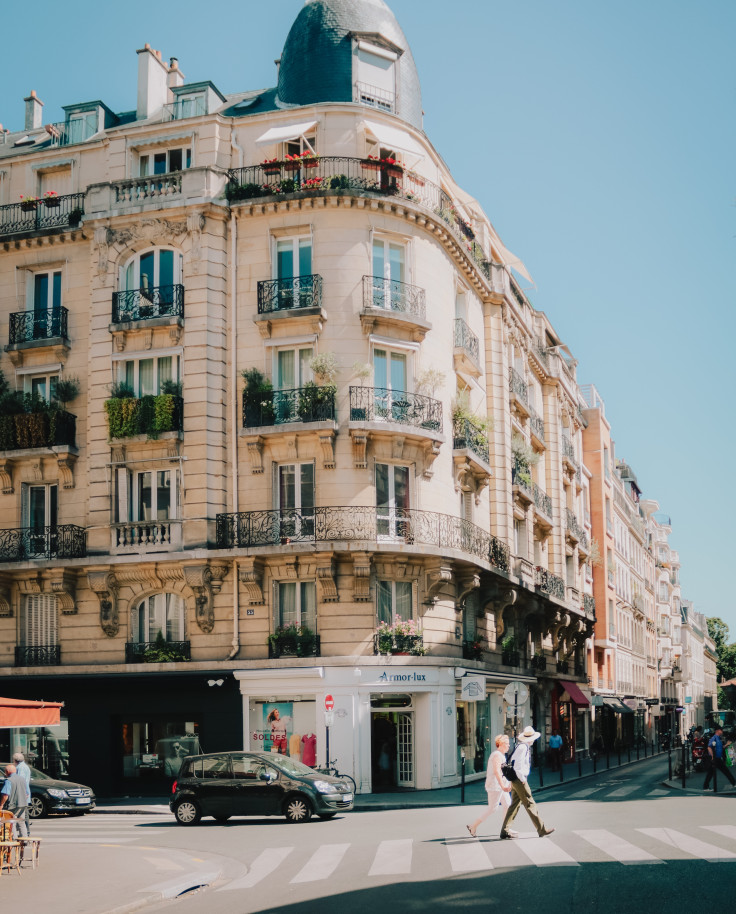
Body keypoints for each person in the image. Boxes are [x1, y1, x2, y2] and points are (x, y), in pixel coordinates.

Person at [499, 726, 555, 839]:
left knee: (514, 805)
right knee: (530, 803)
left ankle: (504, 831)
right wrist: (523, 780)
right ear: (531, 738)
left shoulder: (521, 746)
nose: (534, 740)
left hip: (515, 780)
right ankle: (542, 829)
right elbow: (518, 766)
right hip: (519, 780)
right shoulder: (523, 748)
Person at [466, 733, 512, 837]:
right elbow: (497, 772)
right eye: (507, 743)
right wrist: (503, 786)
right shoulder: (496, 755)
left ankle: (505, 829)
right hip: (495, 786)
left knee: (508, 804)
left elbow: (503, 772)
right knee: (493, 808)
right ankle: (473, 826)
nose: (509, 745)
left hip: (500, 786)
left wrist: (507, 783)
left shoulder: (501, 755)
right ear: (500, 744)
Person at [0, 764, 29, 838]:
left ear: (7, 771)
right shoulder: (22, 779)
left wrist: (1, 805)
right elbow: (27, 794)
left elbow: (5, 795)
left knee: (11, 822)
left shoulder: (8, 780)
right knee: (21, 822)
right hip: (23, 804)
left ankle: (13, 840)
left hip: (13, 805)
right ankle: (24, 840)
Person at [703, 726, 736, 791]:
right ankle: (734, 783)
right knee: (725, 771)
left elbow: (721, 748)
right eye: (721, 730)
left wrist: (726, 745)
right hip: (715, 758)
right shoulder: (714, 738)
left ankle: (705, 787)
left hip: (717, 758)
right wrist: (712, 756)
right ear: (718, 731)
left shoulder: (719, 738)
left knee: (710, 773)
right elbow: (709, 747)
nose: (722, 732)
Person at [12, 752, 31, 835]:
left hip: (22, 793)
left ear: (15, 760)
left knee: (21, 815)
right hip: (24, 793)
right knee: (23, 814)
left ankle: (25, 833)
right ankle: (25, 833)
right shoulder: (24, 766)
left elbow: (20, 780)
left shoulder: (21, 768)